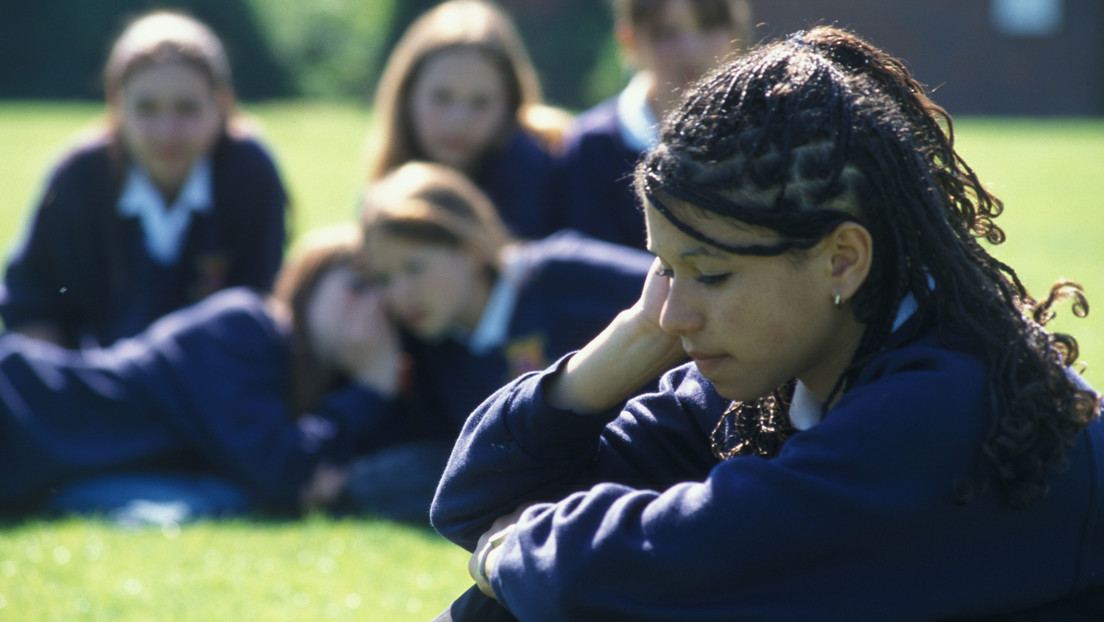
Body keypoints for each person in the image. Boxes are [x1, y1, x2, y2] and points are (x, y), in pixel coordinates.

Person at [429, 27, 1104, 621]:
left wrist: (514, 549)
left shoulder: (945, 402)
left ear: (842, 261)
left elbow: (676, 565)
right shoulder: (770, 374)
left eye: (711, 273)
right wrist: (636, 335)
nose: (675, 312)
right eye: (662, 269)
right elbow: (473, 498)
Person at [0, 224, 403, 523]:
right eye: (356, 286)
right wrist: (370, 388)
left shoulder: (322, 386)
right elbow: (283, 474)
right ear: (310, 283)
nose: (372, 310)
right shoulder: (243, 326)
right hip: (23, 407)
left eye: (385, 300)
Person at [344, 161, 654, 522]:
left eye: (414, 268)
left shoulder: (563, 274)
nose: (399, 293)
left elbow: (677, 291)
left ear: (471, 248)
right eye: (384, 278)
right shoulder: (431, 349)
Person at [0, 10, 289, 348]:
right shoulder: (79, 177)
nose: (168, 132)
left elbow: (259, 307)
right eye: (147, 109)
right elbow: (31, 305)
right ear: (116, 104)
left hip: (208, 387)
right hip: (89, 384)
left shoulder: (249, 175)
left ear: (221, 105)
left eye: (187, 108)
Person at [362, 0, 570, 241]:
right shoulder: (384, 186)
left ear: (510, 107)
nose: (458, 121)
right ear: (407, 96)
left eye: (481, 102)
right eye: (441, 98)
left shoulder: (537, 170)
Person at [554, 0, 752, 250]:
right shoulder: (593, 145)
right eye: (666, 33)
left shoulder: (766, 134)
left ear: (737, 28)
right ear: (629, 40)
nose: (691, 48)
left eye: (709, 25)